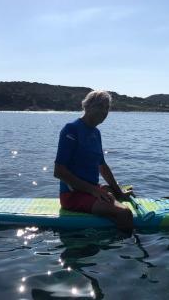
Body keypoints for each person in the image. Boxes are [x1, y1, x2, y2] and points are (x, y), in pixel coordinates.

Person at [54, 90, 134, 232]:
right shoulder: (71, 130)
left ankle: (111, 216)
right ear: (88, 106)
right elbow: (59, 171)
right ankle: (122, 251)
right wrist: (94, 191)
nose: (104, 112)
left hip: (91, 190)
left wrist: (117, 191)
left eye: (107, 108)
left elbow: (102, 166)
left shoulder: (96, 133)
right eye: (100, 106)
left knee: (118, 190)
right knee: (125, 213)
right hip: (73, 196)